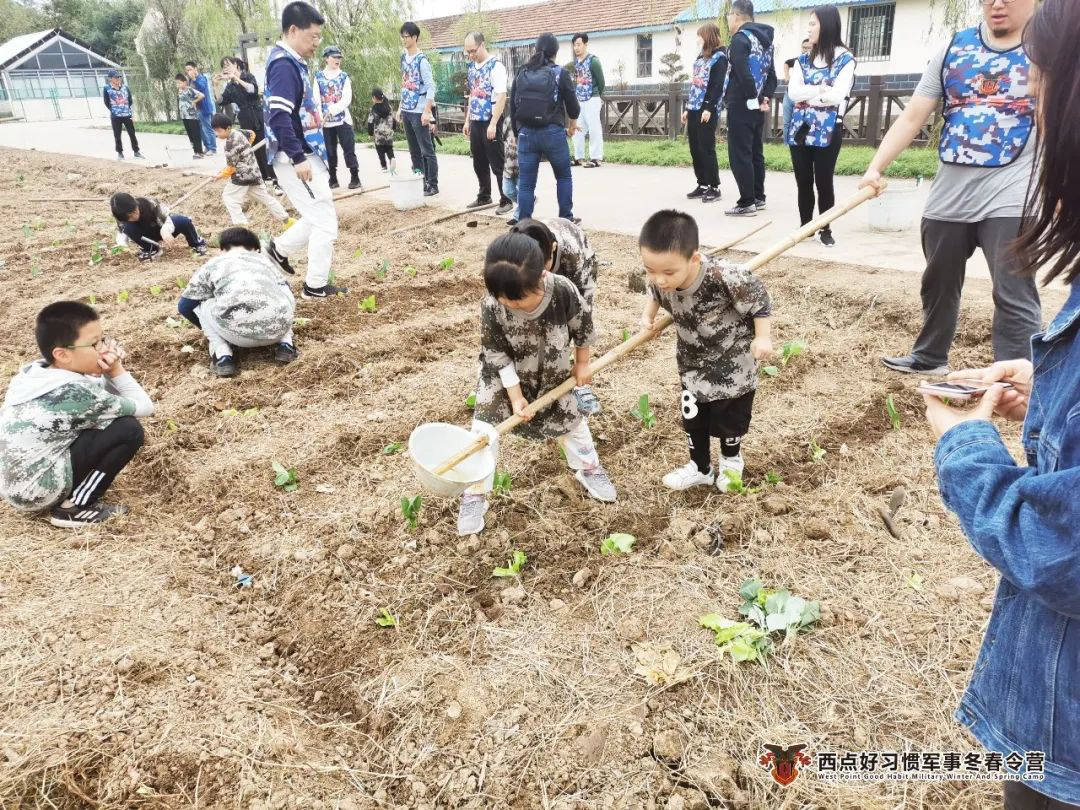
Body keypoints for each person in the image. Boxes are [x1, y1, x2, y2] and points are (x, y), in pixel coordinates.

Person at [920, 2, 1080, 806]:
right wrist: (1048, 392)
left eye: (1041, 91)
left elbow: (1065, 551)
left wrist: (963, 446)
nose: (1032, 117)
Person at [861, 0, 1040, 377]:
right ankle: (930, 358)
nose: (997, 3)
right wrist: (875, 167)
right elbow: (912, 115)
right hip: (951, 192)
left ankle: (1017, 377)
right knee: (938, 280)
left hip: (1014, 191)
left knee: (1013, 291)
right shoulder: (953, 49)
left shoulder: (1048, 50)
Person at [458, 232, 616, 536]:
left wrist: (582, 364)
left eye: (515, 299)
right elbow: (496, 352)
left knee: (573, 422)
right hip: (503, 377)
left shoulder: (563, 291)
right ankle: (474, 492)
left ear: (542, 276)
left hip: (552, 374)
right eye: (502, 297)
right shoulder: (493, 305)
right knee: (483, 431)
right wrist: (515, 396)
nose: (508, 304)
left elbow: (583, 329)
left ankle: (589, 469)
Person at [638, 210, 773, 491]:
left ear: (694, 258)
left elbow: (759, 300)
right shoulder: (662, 279)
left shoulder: (724, 277)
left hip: (733, 365)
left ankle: (731, 463)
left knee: (730, 422)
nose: (660, 279)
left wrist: (762, 338)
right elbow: (655, 293)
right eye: (651, 270)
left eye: (668, 272)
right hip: (692, 364)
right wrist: (647, 318)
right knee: (694, 420)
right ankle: (700, 468)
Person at [0, 301, 153, 527]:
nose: (103, 348)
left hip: (18, 485)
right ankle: (74, 508)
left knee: (111, 422)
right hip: (37, 492)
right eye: (94, 344)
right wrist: (116, 370)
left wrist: (106, 373)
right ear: (62, 354)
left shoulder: (36, 374)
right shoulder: (74, 392)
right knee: (128, 430)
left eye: (103, 339)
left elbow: (101, 402)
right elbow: (145, 407)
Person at [263, 1, 347, 300]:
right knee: (326, 222)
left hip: (303, 152)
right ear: (293, 30)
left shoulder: (290, 61)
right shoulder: (284, 65)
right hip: (295, 157)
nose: (317, 43)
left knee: (317, 215)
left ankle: (278, 249)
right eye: (313, 36)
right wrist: (298, 157)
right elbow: (278, 116)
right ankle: (315, 285)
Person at [178, 227, 299, 378]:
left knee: (201, 302)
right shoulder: (265, 261)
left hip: (234, 335)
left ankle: (222, 354)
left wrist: (214, 329)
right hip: (278, 330)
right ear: (256, 249)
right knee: (282, 290)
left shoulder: (213, 264)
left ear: (222, 249)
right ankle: (286, 344)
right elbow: (286, 292)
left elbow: (184, 306)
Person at [510, 217, 600, 413]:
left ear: (552, 248)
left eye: (543, 268)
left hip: (580, 268)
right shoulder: (517, 249)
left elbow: (580, 310)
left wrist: (582, 361)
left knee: (567, 324)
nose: (540, 275)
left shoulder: (571, 255)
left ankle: (581, 384)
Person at [786, 5, 855, 247]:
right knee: (803, 179)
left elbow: (837, 96)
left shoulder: (845, 59)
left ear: (826, 25)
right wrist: (819, 90)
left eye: (813, 23)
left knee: (824, 181)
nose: (809, 28)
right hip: (801, 128)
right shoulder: (802, 60)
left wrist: (810, 98)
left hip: (828, 131)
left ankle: (825, 228)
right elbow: (793, 93)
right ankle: (806, 225)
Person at [509, 33, 581, 223]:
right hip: (553, 134)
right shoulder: (560, 73)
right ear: (555, 52)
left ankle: (523, 224)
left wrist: (518, 134)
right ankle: (566, 219)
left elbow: (513, 106)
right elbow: (574, 107)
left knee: (526, 184)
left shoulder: (521, 72)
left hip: (526, 134)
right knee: (563, 177)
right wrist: (572, 125)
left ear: (535, 49)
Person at [723, 0, 777, 217]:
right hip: (756, 106)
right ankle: (758, 196)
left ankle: (746, 202)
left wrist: (752, 97)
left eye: (728, 15)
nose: (727, 20)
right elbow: (772, 75)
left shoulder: (739, 39)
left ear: (736, 16)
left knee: (740, 153)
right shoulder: (765, 41)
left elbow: (743, 72)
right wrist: (764, 97)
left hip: (741, 104)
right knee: (755, 151)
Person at [212, 113, 290, 227]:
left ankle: (242, 226)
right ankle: (287, 220)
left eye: (219, 131)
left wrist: (219, 175)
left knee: (229, 198)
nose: (217, 134)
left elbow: (231, 168)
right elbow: (252, 134)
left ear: (228, 128)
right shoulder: (240, 132)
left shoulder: (230, 144)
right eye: (215, 131)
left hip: (242, 176)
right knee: (266, 198)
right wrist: (246, 148)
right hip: (254, 174)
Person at [464, 31, 512, 213]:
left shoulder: (495, 66)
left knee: (497, 161)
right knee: (479, 161)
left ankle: (506, 198)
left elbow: (501, 96)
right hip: (476, 120)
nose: (470, 55)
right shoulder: (472, 68)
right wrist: (467, 120)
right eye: (467, 52)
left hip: (490, 121)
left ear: (482, 45)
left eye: (473, 51)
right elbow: (472, 94)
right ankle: (484, 195)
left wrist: (493, 123)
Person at [682, 23, 728, 203]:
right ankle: (701, 183)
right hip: (694, 107)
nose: (698, 39)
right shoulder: (701, 56)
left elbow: (717, 86)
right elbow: (695, 84)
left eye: (700, 36)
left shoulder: (720, 58)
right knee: (695, 147)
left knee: (706, 147)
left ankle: (714, 186)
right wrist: (687, 108)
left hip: (706, 108)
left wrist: (708, 107)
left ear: (707, 36)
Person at [217, 56, 276, 188]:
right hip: (244, 117)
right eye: (224, 66)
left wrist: (236, 78)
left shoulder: (248, 76)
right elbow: (221, 100)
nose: (226, 68)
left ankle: (274, 179)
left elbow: (253, 90)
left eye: (228, 65)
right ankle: (263, 179)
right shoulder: (230, 86)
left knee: (265, 146)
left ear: (236, 65)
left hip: (257, 114)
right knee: (251, 148)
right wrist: (215, 85)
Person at [399, 21, 439, 197]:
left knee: (426, 150)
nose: (404, 39)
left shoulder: (422, 61)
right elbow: (404, 84)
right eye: (402, 36)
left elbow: (431, 87)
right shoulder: (403, 58)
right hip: (407, 109)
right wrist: (400, 107)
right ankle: (420, 180)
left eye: (406, 36)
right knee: (413, 150)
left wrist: (427, 111)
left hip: (419, 109)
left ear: (415, 37)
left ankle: (433, 183)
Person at [315, 46, 361, 190]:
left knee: (348, 149)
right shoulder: (318, 77)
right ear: (326, 58)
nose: (337, 60)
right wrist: (320, 116)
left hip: (342, 120)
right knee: (329, 151)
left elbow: (347, 98)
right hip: (326, 123)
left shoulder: (344, 76)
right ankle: (332, 178)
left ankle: (355, 176)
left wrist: (332, 110)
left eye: (339, 57)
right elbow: (316, 99)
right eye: (334, 57)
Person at [110, 192, 207, 260]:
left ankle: (197, 244)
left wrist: (165, 230)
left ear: (136, 204)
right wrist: (122, 246)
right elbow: (121, 235)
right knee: (127, 228)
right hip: (146, 236)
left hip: (163, 228)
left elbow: (166, 218)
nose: (135, 217)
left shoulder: (148, 204)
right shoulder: (123, 221)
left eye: (134, 212)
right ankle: (151, 249)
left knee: (183, 221)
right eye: (129, 217)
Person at [569, 33, 604, 168]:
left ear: (585, 44)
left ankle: (596, 158)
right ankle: (578, 157)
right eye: (574, 45)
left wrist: (596, 95)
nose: (576, 48)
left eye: (578, 44)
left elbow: (601, 82)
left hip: (592, 98)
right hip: (580, 98)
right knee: (578, 127)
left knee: (594, 128)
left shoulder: (593, 61)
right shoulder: (576, 62)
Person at [103, 70, 143, 161]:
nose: (118, 79)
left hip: (127, 115)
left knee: (132, 134)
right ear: (110, 79)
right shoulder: (107, 88)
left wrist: (128, 112)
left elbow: (130, 100)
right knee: (117, 135)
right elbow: (106, 102)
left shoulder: (125, 88)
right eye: (116, 77)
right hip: (116, 116)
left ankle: (136, 151)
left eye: (119, 77)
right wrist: (114, 110)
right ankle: (120, 153)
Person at [781, 39, 812, 157]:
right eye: (804, 47)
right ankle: (786, 145)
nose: (806, 50)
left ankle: (799, 145)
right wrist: (786, 75)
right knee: (786, 122)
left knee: (800, 122)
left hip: (802, 97)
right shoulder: (799, 60)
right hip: (788, 94)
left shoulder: (814, 62)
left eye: (809, 47)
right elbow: (786, 63)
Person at [184, 61, 217, 155]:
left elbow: (201, 88)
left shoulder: (202, 78)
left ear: (195, 69)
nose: (188, 72)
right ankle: (207, 146)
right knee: (201, 129)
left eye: (190, 69)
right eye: (187, 70)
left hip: (204, 107)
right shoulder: (190, 80)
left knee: (208, 128)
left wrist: (194, 79)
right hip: (196, 109)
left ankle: (213, 148)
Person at [175, 73, 205, 160]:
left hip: (192, 116)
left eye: (179, 83)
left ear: (185, 82)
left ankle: (199, 152)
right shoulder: (180, 91)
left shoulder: (190, 90)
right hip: (184, 116)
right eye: (177, 83)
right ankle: (195, 150)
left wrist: (195, 101)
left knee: (196, 134)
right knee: (190, 134)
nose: (178, 85)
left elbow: (202, 95)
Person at [366, 88, 396, 173]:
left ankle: (384, 166)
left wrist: (370, 133)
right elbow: (393, 119)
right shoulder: (388, 106)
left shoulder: (373, 109)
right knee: (389, 148)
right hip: (388, 132)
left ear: (374, 98)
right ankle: (392, 158)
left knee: (380, 150)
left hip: (378, 133)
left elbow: (370, 122)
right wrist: (393, 128)